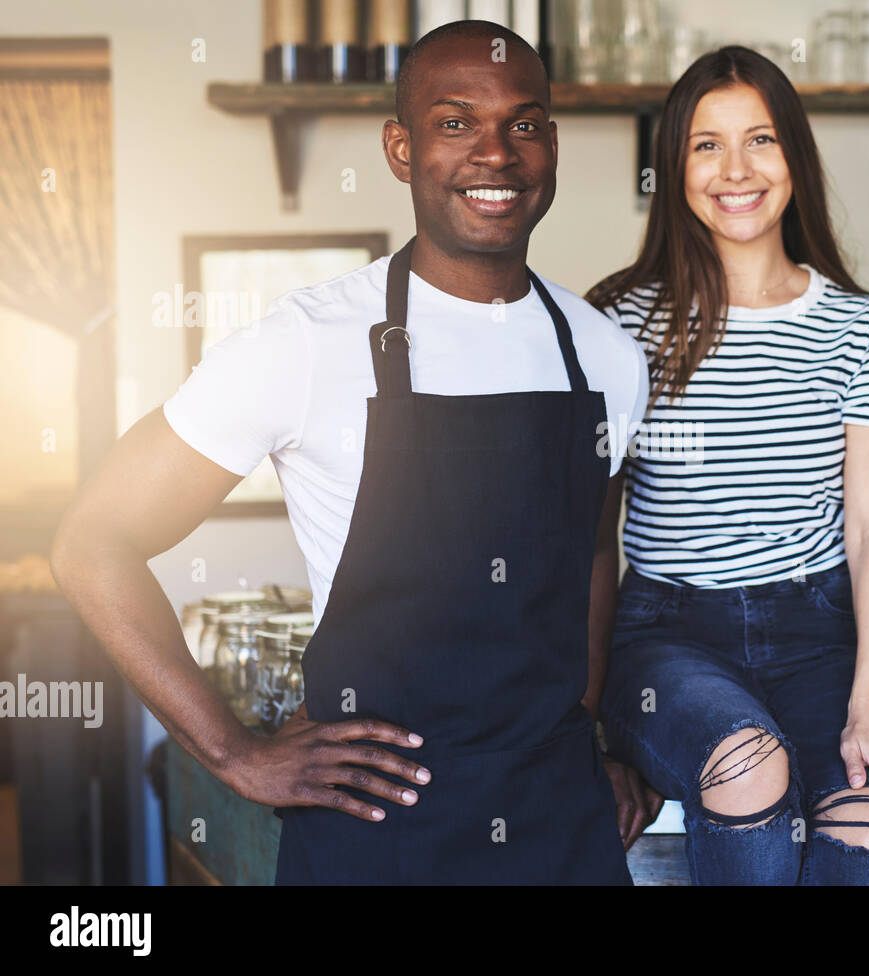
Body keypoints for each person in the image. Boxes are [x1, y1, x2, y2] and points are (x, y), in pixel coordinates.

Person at [51, 20, 649, 884]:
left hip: (561, 825)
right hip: (380, 826)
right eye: (454, 123)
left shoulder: (604, 354)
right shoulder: (306, 342)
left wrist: (594, 728)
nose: (495, 153)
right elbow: (92, 540)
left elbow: (595, 546)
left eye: (522, 124)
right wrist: (233, 749)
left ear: (551, 146)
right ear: (401, 149)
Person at [587, 46, 869, 885]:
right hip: (667, 637)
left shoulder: (861, 327)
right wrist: (591, 726)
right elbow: (589, 544)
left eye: (761, 140)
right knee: (747, 767)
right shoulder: (616, 322)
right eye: (706, 145)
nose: (734, 169)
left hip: (824, 634)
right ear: (673, 167)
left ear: (794, 160)